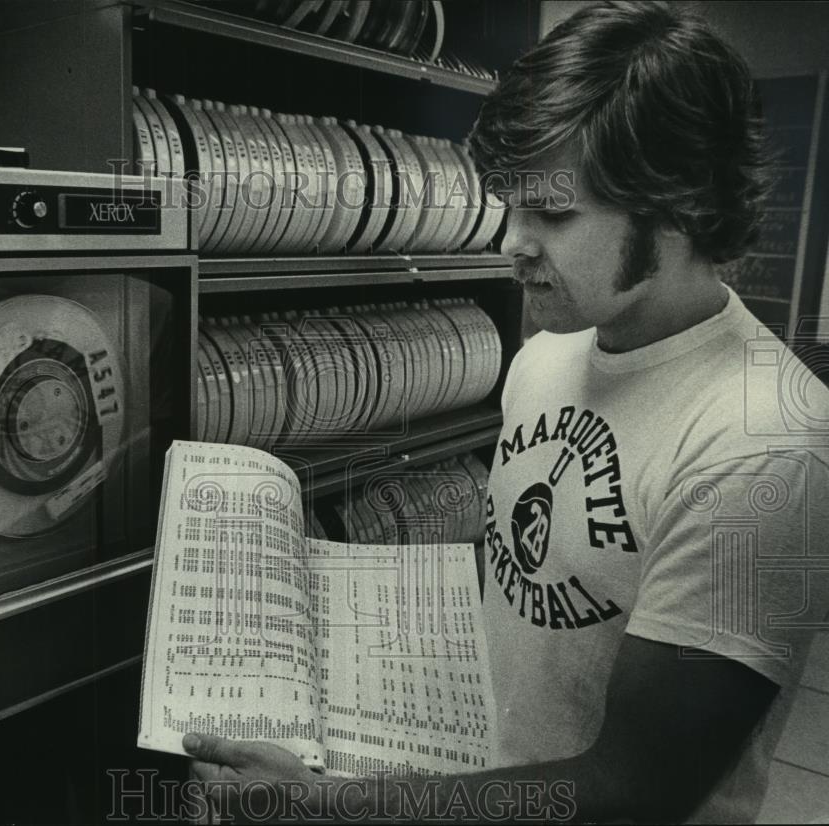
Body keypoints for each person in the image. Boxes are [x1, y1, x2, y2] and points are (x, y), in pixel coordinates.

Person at [182, 2, 829, 821]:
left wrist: (330, 809)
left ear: (681, 207)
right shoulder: (547, 357)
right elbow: (529, 597)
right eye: (512, 204)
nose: (510, 244)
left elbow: (633, 793)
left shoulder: (767, 445)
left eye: (553, 213)